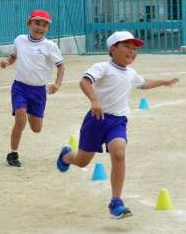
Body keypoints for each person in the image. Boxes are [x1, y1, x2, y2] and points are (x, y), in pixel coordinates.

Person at [56, 30, 179, 219]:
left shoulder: (131, 73)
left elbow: (144, 83)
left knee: (119, 153)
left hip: (118, 122)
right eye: (127, 46)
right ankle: (66, 157)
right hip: (96, 120)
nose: (132, 51)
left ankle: (116, 202)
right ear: (113, 49)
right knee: (82, 161)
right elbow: (85, 82)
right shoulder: (103, 67)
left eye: (134, 48)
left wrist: (164, 82)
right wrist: (94, 100)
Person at [0, 10, 65, 167]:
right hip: (20, 87)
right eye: (37, 23)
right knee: (20, 119)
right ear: (29, 24)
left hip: (39, 91)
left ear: (47, 28)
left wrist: (57, 84)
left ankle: (28, 110)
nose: (40, 27)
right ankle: (13, 153)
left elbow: (61, 66)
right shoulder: (20, 40)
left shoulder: (50, 46)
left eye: (44, 25)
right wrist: (7, 62)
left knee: (36, 129)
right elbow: (14, 56)